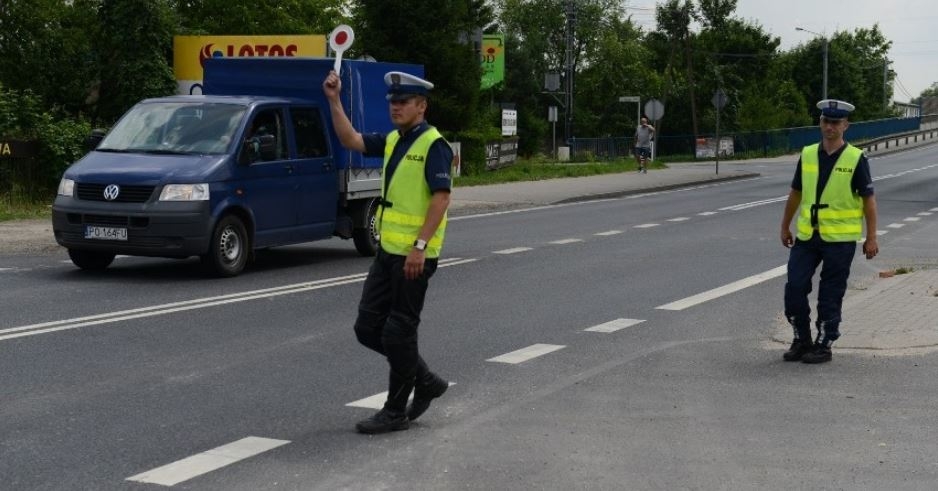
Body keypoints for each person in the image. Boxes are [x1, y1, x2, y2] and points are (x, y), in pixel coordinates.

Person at [323, 69, 452, 434]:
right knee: (367, 327)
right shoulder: (395, 139)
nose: (396, 107)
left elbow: (441, 199)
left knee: (399, 332)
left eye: (403, 102)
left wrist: (420, 247)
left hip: (415, 256)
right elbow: (350, 138)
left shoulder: (434, 145)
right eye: (393, 102)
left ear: (421, 106)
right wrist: (334, 99)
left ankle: (395, 412)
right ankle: (425, 380)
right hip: (387, 253)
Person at [779, 99, 879, 364]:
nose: (830, 127)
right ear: (820, 123)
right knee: (795, 288)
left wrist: (871, 237)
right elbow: (796, 193)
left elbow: (869, 200)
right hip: (807, 237)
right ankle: (801, 340)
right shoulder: (809, 153)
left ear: (845, 125)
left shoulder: (856, 158)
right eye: (826, 121)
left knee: (829, 295)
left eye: (835, 123)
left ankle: (824, 344)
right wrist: (784, 226)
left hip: (840, 240)